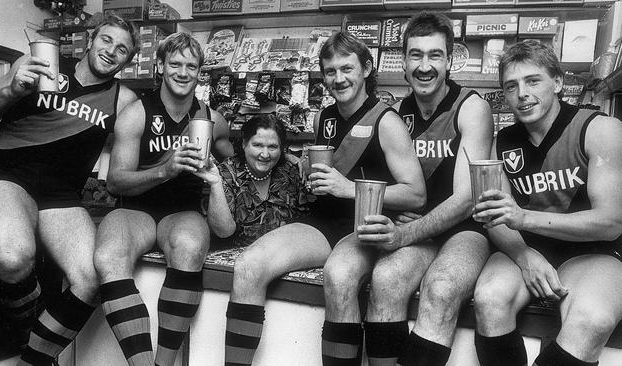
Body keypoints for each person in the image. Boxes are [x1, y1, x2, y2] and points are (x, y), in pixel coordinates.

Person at [323, 12, 494, 366]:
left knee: (442, 287)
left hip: (463, 229)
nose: (425, 66)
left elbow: (466, 200)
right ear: (404, 61)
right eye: (416, 55)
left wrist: (403, 234)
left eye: (435, 55)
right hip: (414, 228)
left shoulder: (472, 108)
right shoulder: (396, 112)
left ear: (449, 60)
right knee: (386, 279)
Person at [0, 15, 139, 366]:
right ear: (91, 39)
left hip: (60, 192)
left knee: (93, 278)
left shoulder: (123, 100)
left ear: (129, 59)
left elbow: (139, 151)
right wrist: (11, 89)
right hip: (6, 172)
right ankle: (28, 343)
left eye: (122, 49)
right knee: (12, 257)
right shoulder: (39, 63)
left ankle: (33, 360)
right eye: (106, 40)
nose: (111, 51)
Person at [472, 39, 622, 366]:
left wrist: (524, 218)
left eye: (533, 80)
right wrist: (524, 254)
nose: (522, 93)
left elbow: (611, 223)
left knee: (592, 319)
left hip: (592, 250)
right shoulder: (502, 143)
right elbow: (494, 218)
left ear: (557, 82)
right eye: (511, 86)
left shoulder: (601, 129)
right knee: (489, 299)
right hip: (527, 247)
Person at [92, 32, 233, 366]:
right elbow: (115, 182)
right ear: (160, 66)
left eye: (191, 66)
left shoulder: (210, 118)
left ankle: (164, 363)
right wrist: (165, 169)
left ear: (200, 72)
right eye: (175, 64)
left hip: (182, 211)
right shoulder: (137, 112)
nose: (183, 73)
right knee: (108, 254)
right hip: (136, 208)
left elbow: (230, 150)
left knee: (189, 246)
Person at [203, 113, 310, 248]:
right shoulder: (227, 174)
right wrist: (215, 184)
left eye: (272, 147)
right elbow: (223, 232)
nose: (265, 154)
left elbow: (304, 227)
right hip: (237, 260)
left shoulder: (289, 172)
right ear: (244, 144)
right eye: (258, 145)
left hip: (284, 256)